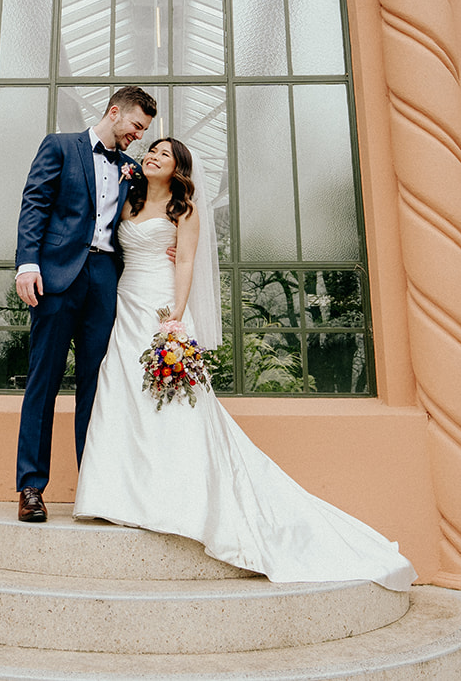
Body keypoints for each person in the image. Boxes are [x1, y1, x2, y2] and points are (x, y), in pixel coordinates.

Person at [73, 137, 417, 589]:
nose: (151, 156)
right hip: (126, 303)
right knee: (120, 394)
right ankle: (120, 496)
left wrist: (175, 316)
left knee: (175, 404)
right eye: (150, 151)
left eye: (162, 154)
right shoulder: (126, 201)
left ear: (177, 168)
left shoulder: (185, 212)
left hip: (161, 308)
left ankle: (178, 498)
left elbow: (187, 261)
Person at [13, 86, 157, 522]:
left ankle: (94, 488)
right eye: (136, 126)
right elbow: (35, 202)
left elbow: (149, 215)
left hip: (104, 282)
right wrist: (27, 264)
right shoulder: (60, 146)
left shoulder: (133, 168)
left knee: (97, 386)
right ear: (115, 112)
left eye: (144, 130)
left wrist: (169, 244)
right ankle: (31, 488)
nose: (138, 135)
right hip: (56, 278)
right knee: (44, 380)